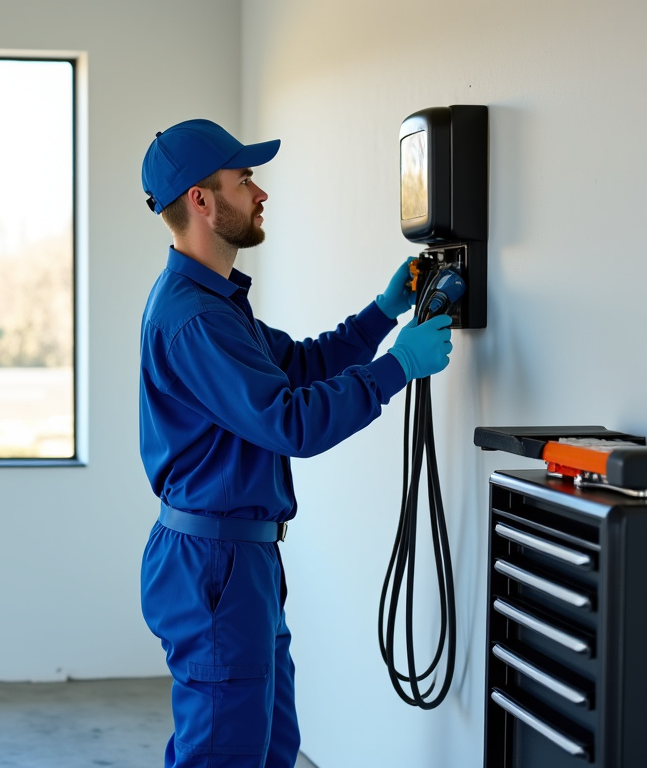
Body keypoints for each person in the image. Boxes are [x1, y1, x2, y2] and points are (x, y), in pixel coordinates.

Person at [137, 119, 454, 768]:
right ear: (201, 200)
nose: (260, 194)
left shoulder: (219, 304)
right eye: (245, 179)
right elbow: (291, 422)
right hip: (214, 563)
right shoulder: (194, 318)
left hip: (239, 562)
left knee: (269, 747)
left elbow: (300, 367)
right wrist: (398, 367)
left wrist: (382, 312)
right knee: (224, 755)